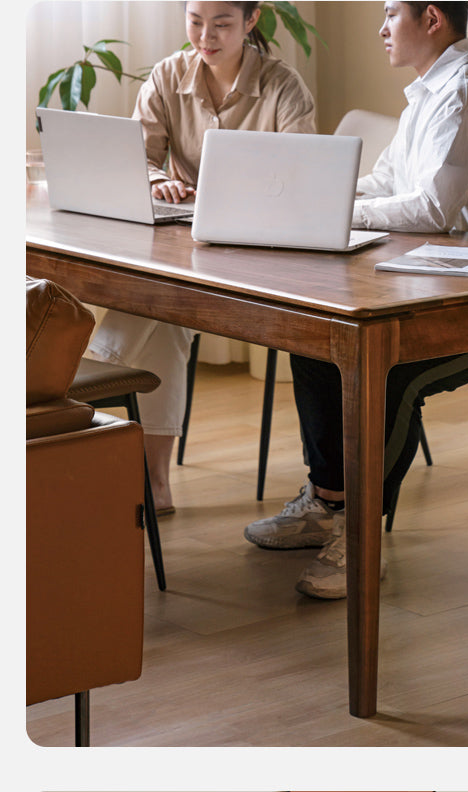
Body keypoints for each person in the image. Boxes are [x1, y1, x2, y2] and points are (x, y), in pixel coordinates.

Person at [244, 1, 468, 600]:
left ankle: (361, 535)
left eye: (391, 14)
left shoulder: (465, 95)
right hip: (437, 280)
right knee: (315, 336)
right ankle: (328, 501)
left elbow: (430, 208)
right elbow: (387, 183)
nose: (380, 29)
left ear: (431, 19)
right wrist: (320, 195)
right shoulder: (428, 92)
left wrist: (336, 212)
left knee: (392, 373)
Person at [86, 1, 316, 513]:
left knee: (157, 301)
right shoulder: (168, 76)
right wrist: (158, 181)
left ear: (251, 21)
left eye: (222, 24)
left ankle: (77, 378)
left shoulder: (283, 86)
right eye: (195, 21)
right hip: (187, 249)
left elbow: (301, 176)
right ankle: (155, 484)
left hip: (260, 256)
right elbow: (139, 158)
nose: (205, 36)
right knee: (165, 321)